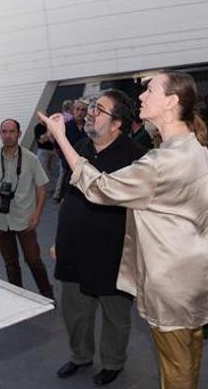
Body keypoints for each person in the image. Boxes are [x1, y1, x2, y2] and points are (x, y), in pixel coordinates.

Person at [38, 71, 208, 389]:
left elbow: (99, 187)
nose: (142, 95)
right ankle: (82, 355)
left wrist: (59, 134)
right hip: (192, 277)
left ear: (170, 102)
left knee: (177, 374)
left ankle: (113, 363)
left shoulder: (162, 161)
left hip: (174, 285)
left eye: (150, 90)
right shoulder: (192, 147)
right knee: (184, 365)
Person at [50, 90, 145, 386]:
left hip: (113, 251)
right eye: (91, 106)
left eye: (99, 109)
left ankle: (113, 362)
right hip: (74, 248)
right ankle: (80, 356)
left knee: (115, 314)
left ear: (116, 123)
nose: (90, 112)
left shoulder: (134, 157)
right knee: (74, 311)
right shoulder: (80, 145)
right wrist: (59, 241)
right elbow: (69, 194)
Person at [0, 119, 53, 300]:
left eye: (12, 131)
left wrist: (37, 214)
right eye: (4, 132)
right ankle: (18, 297)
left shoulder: (31, 159)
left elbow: (42, 187)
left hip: (24, 217)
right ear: (0, 134)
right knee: (10, 263)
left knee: (33, 260)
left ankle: (47, 294)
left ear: (19, 134)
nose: (8, 135)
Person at [53, 100, 88, 203]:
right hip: (67, 163)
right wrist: (63, 158)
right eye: (77, 109)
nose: (80, 112)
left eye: (83, 110)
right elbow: (57, 144)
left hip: (84, 164)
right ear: (73, 111)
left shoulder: (89, 127)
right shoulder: (65, 126)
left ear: (86, 112)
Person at [34, 118, 60, 195]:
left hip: (52, 150)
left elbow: (53, 139)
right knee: (43, 170)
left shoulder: (49, 126)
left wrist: (48, 136)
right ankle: (45, 189)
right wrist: (48, 134)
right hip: (43, 151)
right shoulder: (38, 127)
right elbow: (42, 140)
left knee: (52, 170)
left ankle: (52, 188)